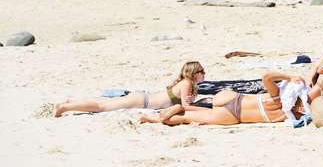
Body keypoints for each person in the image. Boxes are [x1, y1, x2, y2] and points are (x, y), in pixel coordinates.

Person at [139, 71, 308, 126]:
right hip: (232, 117)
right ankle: (156, 119)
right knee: (183, 118)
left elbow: (267, 76)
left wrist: (289, 76)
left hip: (233, 99)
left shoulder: (277, 97)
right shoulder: (286, 116)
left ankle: (177, 109)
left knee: (193, 110)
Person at [53, 61, 205, 118]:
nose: (204, 74)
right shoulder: (187, 83)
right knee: (101, 107)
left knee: (104, 102)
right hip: (142, 101)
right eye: (201, 71)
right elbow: (186, 107)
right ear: (194, 74)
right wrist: (204, 110)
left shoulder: (187, 84)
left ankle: (70, 101)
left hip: (142, 99)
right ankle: (64, 108)